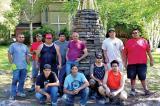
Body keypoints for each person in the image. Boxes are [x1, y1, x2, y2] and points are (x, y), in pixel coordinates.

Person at [123, 29, 154, 96]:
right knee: (132, 77)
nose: (134, 34)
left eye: (136, 32)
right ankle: (133, 90)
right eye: (133, 33)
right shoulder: (128, 42)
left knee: (143, 77)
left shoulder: (144, 41)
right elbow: (125, 54)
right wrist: (125, 63)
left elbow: (148, 51)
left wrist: (151, 60)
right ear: (132, 34)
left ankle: (146, 90)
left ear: (139, 33)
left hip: (142, 63)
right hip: (131, 63)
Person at [8, 34, 30, 100]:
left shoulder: (25, 46)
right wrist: (12, 64)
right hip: (16, 66)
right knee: (15, 79)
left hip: (24, 66)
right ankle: (13, 94)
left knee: (22, 80)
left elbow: (27, 55)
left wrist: (28, 64)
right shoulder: (13, 45)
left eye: (23, 37)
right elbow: (9, 54)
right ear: (17, 38)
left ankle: (20, 92)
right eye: (20, 37)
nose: (21, 38)